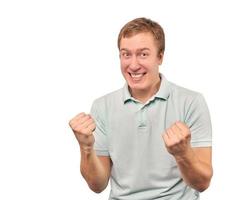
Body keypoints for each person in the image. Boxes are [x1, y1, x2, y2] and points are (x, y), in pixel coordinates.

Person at [69, 17, 213, 200]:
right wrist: (86, 148)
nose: (133, 65)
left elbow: (202, 183)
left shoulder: (191, 102)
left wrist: (183, 153)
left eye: (143, 54)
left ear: (160, 57)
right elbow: (98, 185)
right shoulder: (102, 106)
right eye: (126, 54)